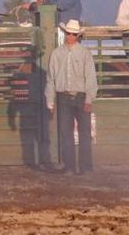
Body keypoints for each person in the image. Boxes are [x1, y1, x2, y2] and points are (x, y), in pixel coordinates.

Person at [45, 19, 98, 175]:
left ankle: (85, 167)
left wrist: (89, 98)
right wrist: (50, 100)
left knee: (85, 133)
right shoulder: (56, 54)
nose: (70, 36)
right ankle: (69, 166)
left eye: (73, 34)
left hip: (81, 96)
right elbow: (51, 79)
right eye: (68, 33)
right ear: (64, 33)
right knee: (66, 133)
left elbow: (90, 77)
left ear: (77, 36)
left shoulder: (84, 53)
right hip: (63, 96)